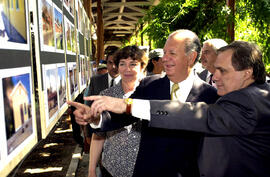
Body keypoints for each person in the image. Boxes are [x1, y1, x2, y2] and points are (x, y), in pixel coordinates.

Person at [86, 41, 270, 177]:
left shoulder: (249, 102)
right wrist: (96, 118)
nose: (215, 76)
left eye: (223, 71)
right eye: (216, 70)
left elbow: (194, 114)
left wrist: (126, 104)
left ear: (247, 73)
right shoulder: (245, 95)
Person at [68, 29, 219, 177]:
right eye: (164, 53)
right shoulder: (149, 86)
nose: (164, 58)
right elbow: (122, 116)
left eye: (172, 53)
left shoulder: (210, 96)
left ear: (191, 57)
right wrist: (96, 118)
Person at [89, 45, 148, 177]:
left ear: (142, 67)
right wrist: (92, 170)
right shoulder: (106, 95)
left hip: (145, 168)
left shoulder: (150, 94)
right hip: (111, 168)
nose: (127, 69)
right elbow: (99, 135)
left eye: (133, 64)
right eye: (122, 64)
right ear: (117, 66)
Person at [82, 49, 121, 153]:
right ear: (106, 63)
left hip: (120, 137)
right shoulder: (96, 81)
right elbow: (88, 108)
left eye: (117, 63)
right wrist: (87, 134)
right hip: (98, 135)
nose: (113, 67)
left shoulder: (128, 82)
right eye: (110, 63)